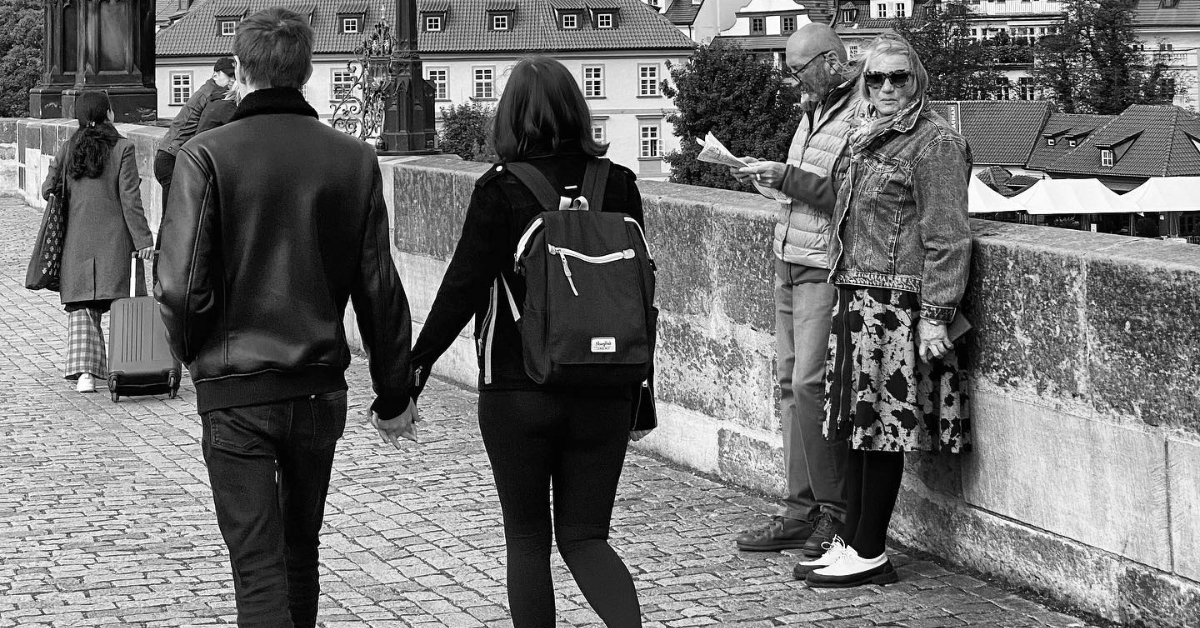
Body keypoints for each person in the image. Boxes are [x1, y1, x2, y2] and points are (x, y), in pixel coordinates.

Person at [155, 8, 417, 626]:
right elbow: (377, 284)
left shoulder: (205, 157)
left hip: (236, 389)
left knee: (258, 570)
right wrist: (394, 392)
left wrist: (199, 358)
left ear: (240, 72)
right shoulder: (352, 158)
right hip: (318, 387)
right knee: (301, 553)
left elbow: (179, 285)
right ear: (304, 72)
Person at [409, 56, 645, 628]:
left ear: (510, 117)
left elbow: (461, 288)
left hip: (520, 387)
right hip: (608, 388)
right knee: (587, 538)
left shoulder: (502, 189)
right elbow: (639, 296)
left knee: (528, 541)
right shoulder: (619, 183)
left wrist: (412, 373)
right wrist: (643, 395)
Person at [795, 32, 973, 588]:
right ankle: (853, 540)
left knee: (882, 433)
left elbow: (948, 237)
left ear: (917, 79)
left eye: (899, 77)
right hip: (857, 297)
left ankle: (871, 552)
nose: (888, 87)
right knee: (853, 431)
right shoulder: (864, 134)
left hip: (898, 307)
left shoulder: (935, 142)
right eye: (876, 78)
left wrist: (937, 313)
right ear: (864, 82)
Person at [728, 23, 860, 558]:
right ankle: (798, 511)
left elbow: (849, 196)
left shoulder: (859, 113)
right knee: (788, 386)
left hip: (821, 267)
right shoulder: (814, 110)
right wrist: (771, 180)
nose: (794, 81)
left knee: (810, 386)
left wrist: (785, 176)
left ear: (830, 61)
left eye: (799, 70)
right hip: (787, 258)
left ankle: (835, 515)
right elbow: (807, 186)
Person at [41, 90, 154, 394]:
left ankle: (85, 376)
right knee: (122, 302)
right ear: (108, 114)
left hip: (77, 242)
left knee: (82, 307)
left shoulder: (68, 149)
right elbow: (130, 200)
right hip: (115, 242)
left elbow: (47, 189)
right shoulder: (124, 148)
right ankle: (126, 365)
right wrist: (143, 240)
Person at [154, 56, 234, 206]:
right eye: (229, 75)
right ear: (215, 74)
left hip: (168, 155)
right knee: (173, 216)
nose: (232, 80)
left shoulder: (209, 90)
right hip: (172, 157)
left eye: (234, 76)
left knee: (173, 216)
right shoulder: (212, 95)